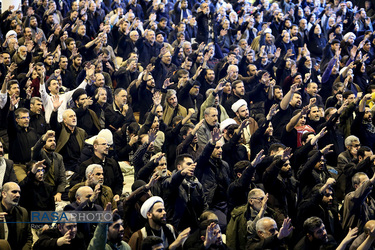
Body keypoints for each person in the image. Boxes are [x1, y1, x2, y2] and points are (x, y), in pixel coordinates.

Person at [0, 182, 33, 250]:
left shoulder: (23, 212)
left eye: (19, 192)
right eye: (14, 192)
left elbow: (28, 238)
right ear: (4, 194)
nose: (18, 195)